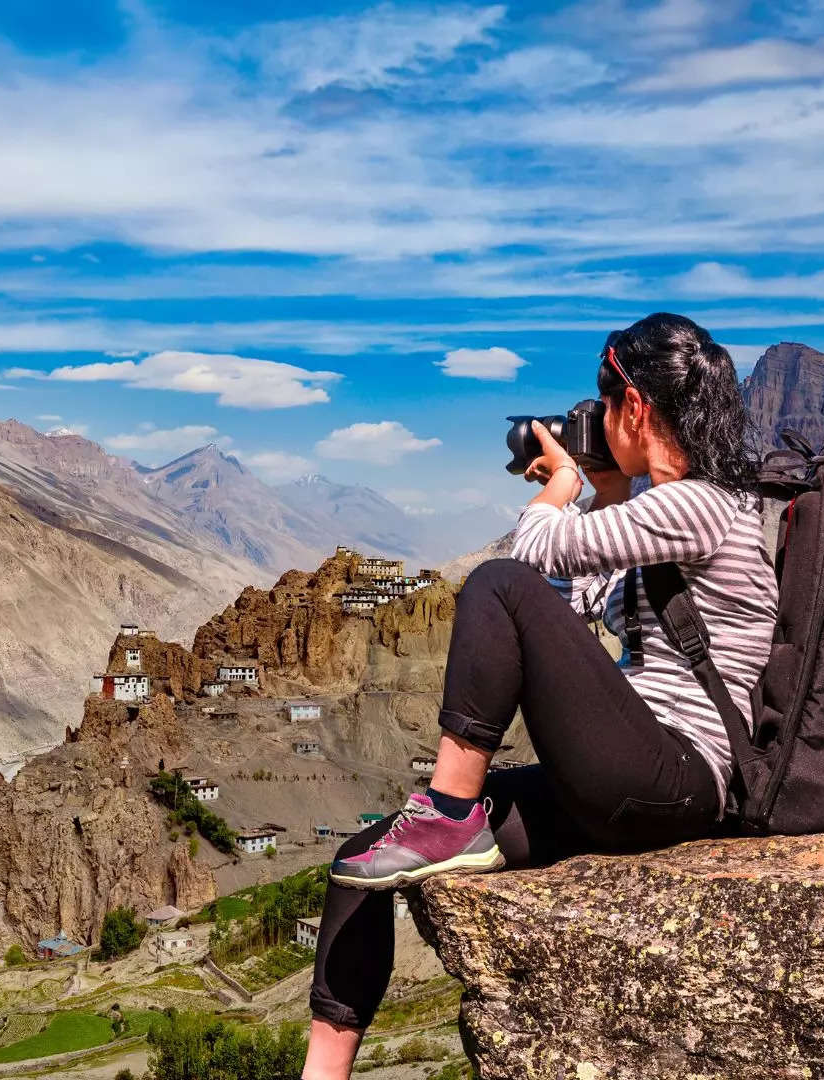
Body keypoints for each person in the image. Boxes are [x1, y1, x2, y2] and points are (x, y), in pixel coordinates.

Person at [302, 312, 778, 1078]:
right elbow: (569, 598)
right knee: (365, 857)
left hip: (679, 777)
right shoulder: (661, 513)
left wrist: (560, 485)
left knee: (498, 582)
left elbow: (528, 564)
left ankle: (450, 812)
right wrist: (608, 489)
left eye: (603, 400)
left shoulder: (707, 504)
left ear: (633, 408)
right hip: (628, 780)